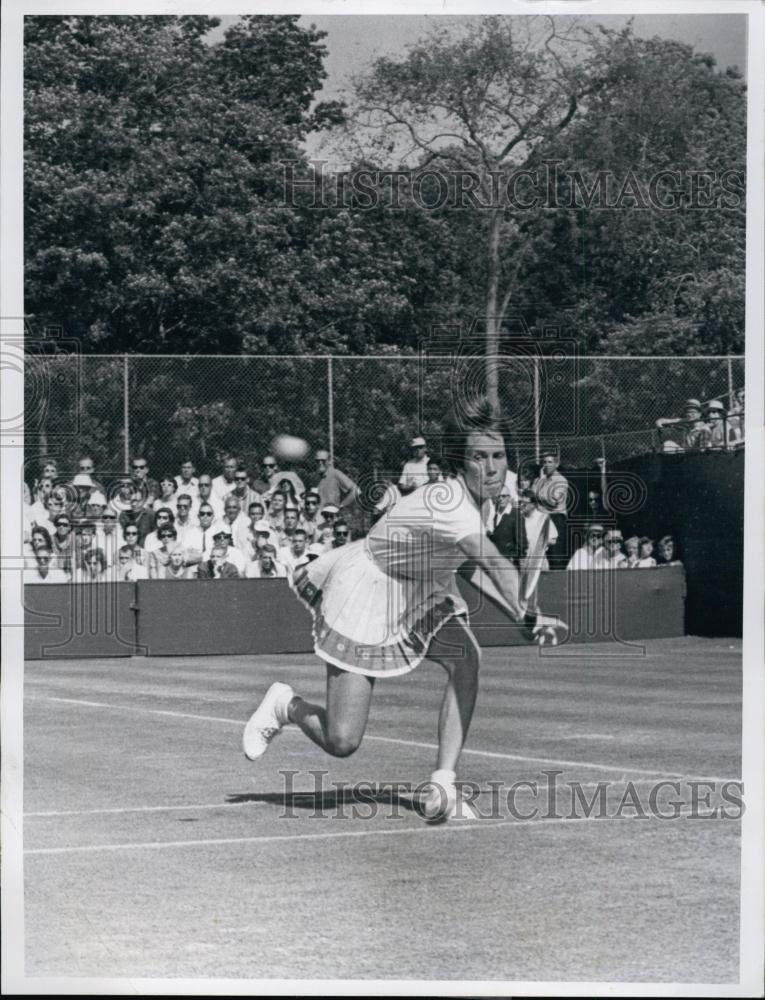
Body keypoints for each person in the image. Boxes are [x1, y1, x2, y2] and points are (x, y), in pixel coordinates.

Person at [242, 399, 566, 823]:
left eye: (499, 456)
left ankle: (443, 785)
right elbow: (492, 563)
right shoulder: (450, 503)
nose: (491, 468)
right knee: (342, 741)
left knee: (467, 660)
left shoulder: (481, 502)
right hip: (369, 591)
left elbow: (467, 566)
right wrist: (528, 613)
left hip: (421, 586)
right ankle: (287, 705)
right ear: (459, 462)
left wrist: (521, 616)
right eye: (479, 457)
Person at [530, 453, 570, 569]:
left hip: (556, 518)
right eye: (544, 462)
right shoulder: (540, 479)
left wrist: (538, 494)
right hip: (541, 518)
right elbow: (531, 494)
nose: (546, 465)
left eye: (550, 462)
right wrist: (541, 482)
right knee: (541, 554)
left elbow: (553, 501)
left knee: (556, 555)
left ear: (556, 464)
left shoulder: (561, 480)